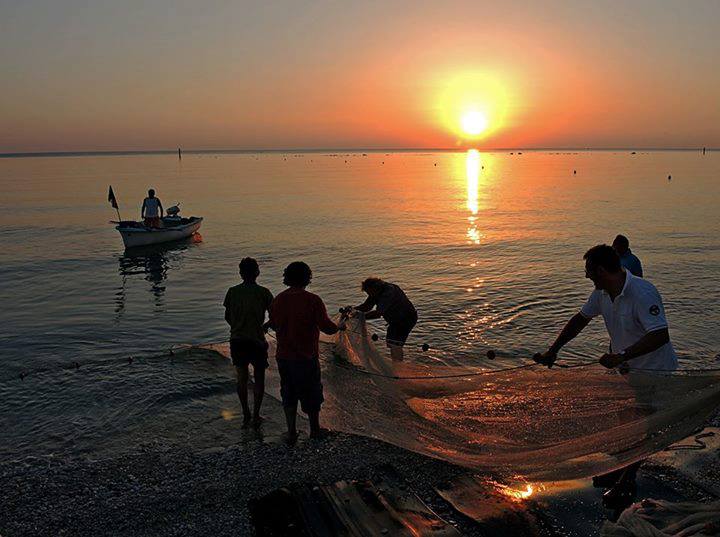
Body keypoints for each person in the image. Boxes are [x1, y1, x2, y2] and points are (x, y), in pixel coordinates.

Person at [535, 244, 677, 509]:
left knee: (643, 425)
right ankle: (620, 468)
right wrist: (553, 351)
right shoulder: (601, 293)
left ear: (601, 270)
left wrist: (622, 354)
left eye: (589, 271)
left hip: (655, 370)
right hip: (627, 370)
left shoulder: (642, 292)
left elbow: (660, 335)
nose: (587, 276)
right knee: (625, 419)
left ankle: (626, 482)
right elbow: (580, 320)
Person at [267, 262, 340, 443]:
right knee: (311, 392)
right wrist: (340, 326)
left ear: (287, 278)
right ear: (308, 278)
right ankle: (315, 430)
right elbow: (327, 328)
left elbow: (274, 324)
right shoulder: (313, 300)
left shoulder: (278, 300)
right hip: (306, 357)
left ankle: (291, 431)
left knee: (288, 392)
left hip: (284, 356)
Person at [223, 258, 273, 429]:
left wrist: (238, 327)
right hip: (257, 341)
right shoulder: (264, 292)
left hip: (237, 340)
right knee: (259, 378)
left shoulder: (232, 292)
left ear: (240, 273)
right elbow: (274, 317)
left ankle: (246, 413)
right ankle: (256, 415)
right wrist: (265, 326)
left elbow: (228, 316)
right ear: (257, 272)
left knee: (242, 378)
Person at [354, 277, 417, 361]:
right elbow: (366, 306)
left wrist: (359, 316)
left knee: (395, 343)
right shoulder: (375, 292)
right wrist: (352, 310)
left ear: (375, 288)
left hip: (406, 318)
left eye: (369, 293)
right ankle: (397, 361)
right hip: (394, 321)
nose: (369, 295)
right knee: (391, 343)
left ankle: (398, 365)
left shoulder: (389, 292)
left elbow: (378, 313)